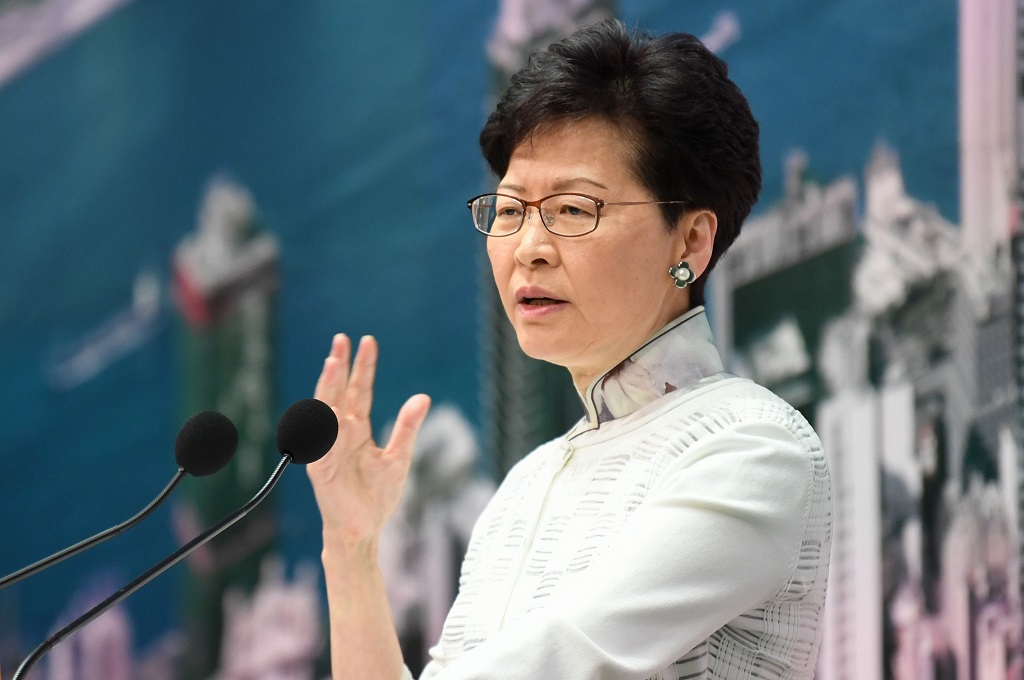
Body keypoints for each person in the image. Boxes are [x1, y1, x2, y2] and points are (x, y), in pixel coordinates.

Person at [306, 18, 832, 680]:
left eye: (575, 210)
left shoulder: (752, 446)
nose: (528, 246)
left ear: (690, 242)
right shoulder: (524, 488)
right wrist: (352, 545)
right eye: (508, 210)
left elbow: (566, 661)